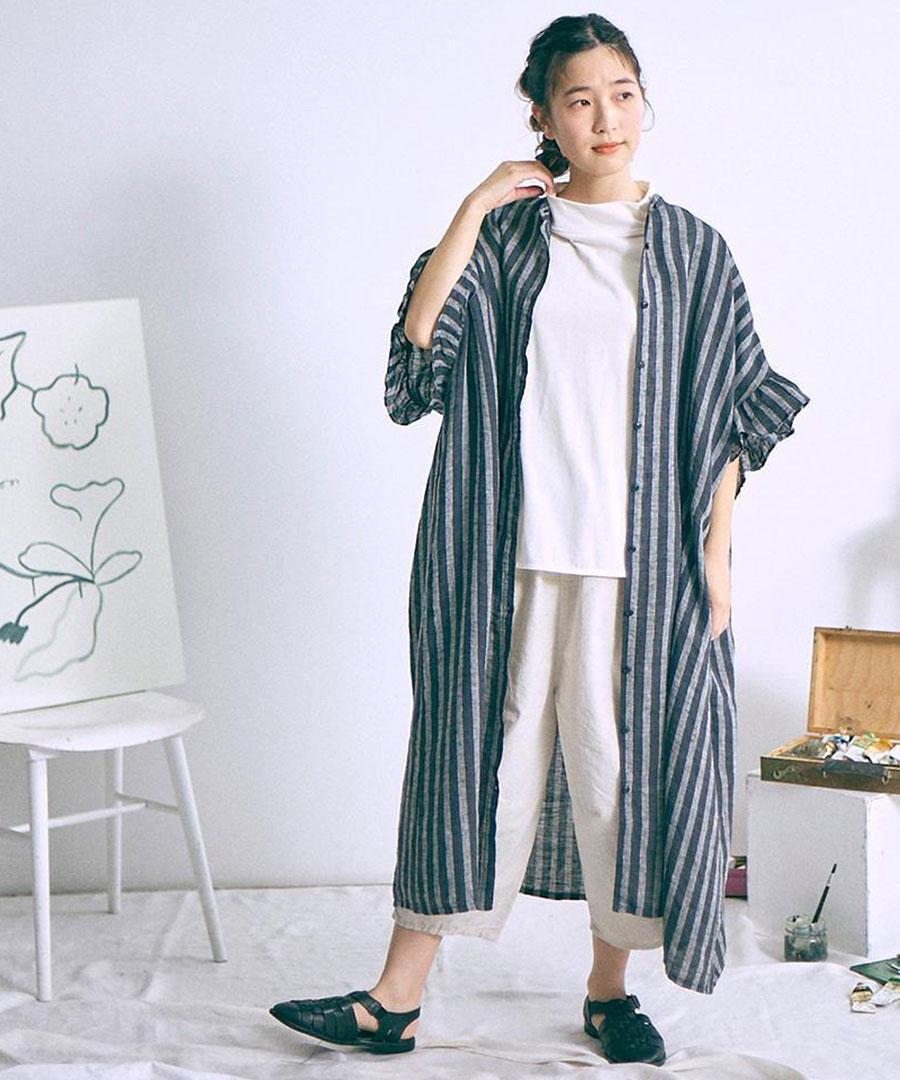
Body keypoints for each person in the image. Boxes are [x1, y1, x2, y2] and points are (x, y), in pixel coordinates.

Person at [270, 12, 811, 1067]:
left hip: (640, 568)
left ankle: (609, 993)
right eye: (580, 99)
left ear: (645, 101)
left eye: (622, 93)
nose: (607, 117)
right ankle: (394, 1001)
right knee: (476, 767)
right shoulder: (509, 242)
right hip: (500, 557)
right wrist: (473, 206)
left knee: (618, 778)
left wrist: (715, 553)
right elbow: (418, 361)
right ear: (544, 119)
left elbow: (739, 412)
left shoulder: (695, 253)